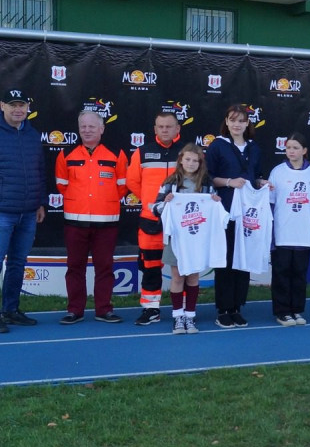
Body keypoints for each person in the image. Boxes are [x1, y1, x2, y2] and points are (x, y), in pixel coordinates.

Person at [55, 110, 128, 324]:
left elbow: (123, 186)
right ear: (78, 129)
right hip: (74, 222)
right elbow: (62, 185)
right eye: (83, 127)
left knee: (104, 267)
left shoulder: (117, 154)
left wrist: (103, 201)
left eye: (91, 126)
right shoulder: (66, 154)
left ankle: (103, 309)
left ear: (102, 129)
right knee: (74, 266)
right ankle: (75, 310)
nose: (87, 130)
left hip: (106, 222)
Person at [206, 104, 266, 328]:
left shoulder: (254, 148)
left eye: (241, 120)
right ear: (226, 122)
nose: (237, 124)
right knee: (227, 260)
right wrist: (229, 182)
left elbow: (256, 176)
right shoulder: (217, 146)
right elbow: (208, 177)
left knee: (244, 260)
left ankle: (237, 307)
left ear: (248, 123)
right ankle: (223, 309)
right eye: (233, 120)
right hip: (226, 211)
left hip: (249, 214)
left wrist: (261, 183)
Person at [150, 145, 219, 334]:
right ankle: (177, 316)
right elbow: (154, 208)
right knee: (178, 277)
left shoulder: (206, 183)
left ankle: (190, 315)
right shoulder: (171, 182)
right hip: (176, 238)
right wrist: (166, 203)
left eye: (195, 160)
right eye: (187, 159)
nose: (191, 163)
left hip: (197, 239)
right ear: (181, 160)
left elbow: (214, 208)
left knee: (193, 277)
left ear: (200, 163)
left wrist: (215, 202)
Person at [126, 110, 184, 326]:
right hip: (151, 220)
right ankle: (151, 309)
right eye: (161, 126)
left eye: (169, 126)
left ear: (177, 128)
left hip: (181, 223)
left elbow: (199, 180)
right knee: (151, 266)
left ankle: (185, 310)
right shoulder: (142, 152)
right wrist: (154, 202)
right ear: (155, 129)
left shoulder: (187, 152)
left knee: (183, 267)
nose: (165, 130)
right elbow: (132, 182)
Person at [0, 89, 46, 333]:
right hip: (3, 212)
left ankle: (10, 310)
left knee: (18, 263)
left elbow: (40, 170)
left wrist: (40, 202)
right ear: (2, 106)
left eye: (22, 104)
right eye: (12, 104)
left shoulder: (32, 134)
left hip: (28, 212)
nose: (18, 109)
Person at [267, 133, 310, 326]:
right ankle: (282, 311)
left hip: (304, 235)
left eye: (295, 148)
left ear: (304, 151)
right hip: (282, 233)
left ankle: (297, 309)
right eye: (288, 147)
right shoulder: (277, 171)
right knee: (281, 273)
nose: (291, 151)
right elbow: (270, 205)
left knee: (299, 274)